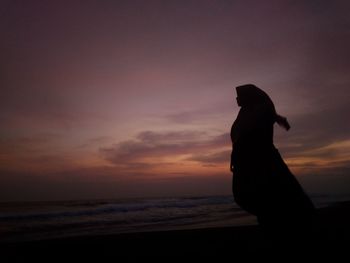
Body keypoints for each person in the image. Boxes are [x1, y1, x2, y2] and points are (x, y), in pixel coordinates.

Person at [230, 84, 315, 243]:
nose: (237, 100)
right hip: (248, 165)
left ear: (250, 96)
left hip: (263, 163)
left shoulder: (260, 109)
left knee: (273, 201)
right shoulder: (246, 112)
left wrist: (275, 117)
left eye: (239, 96)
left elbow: (254, 127)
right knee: (266, 202)